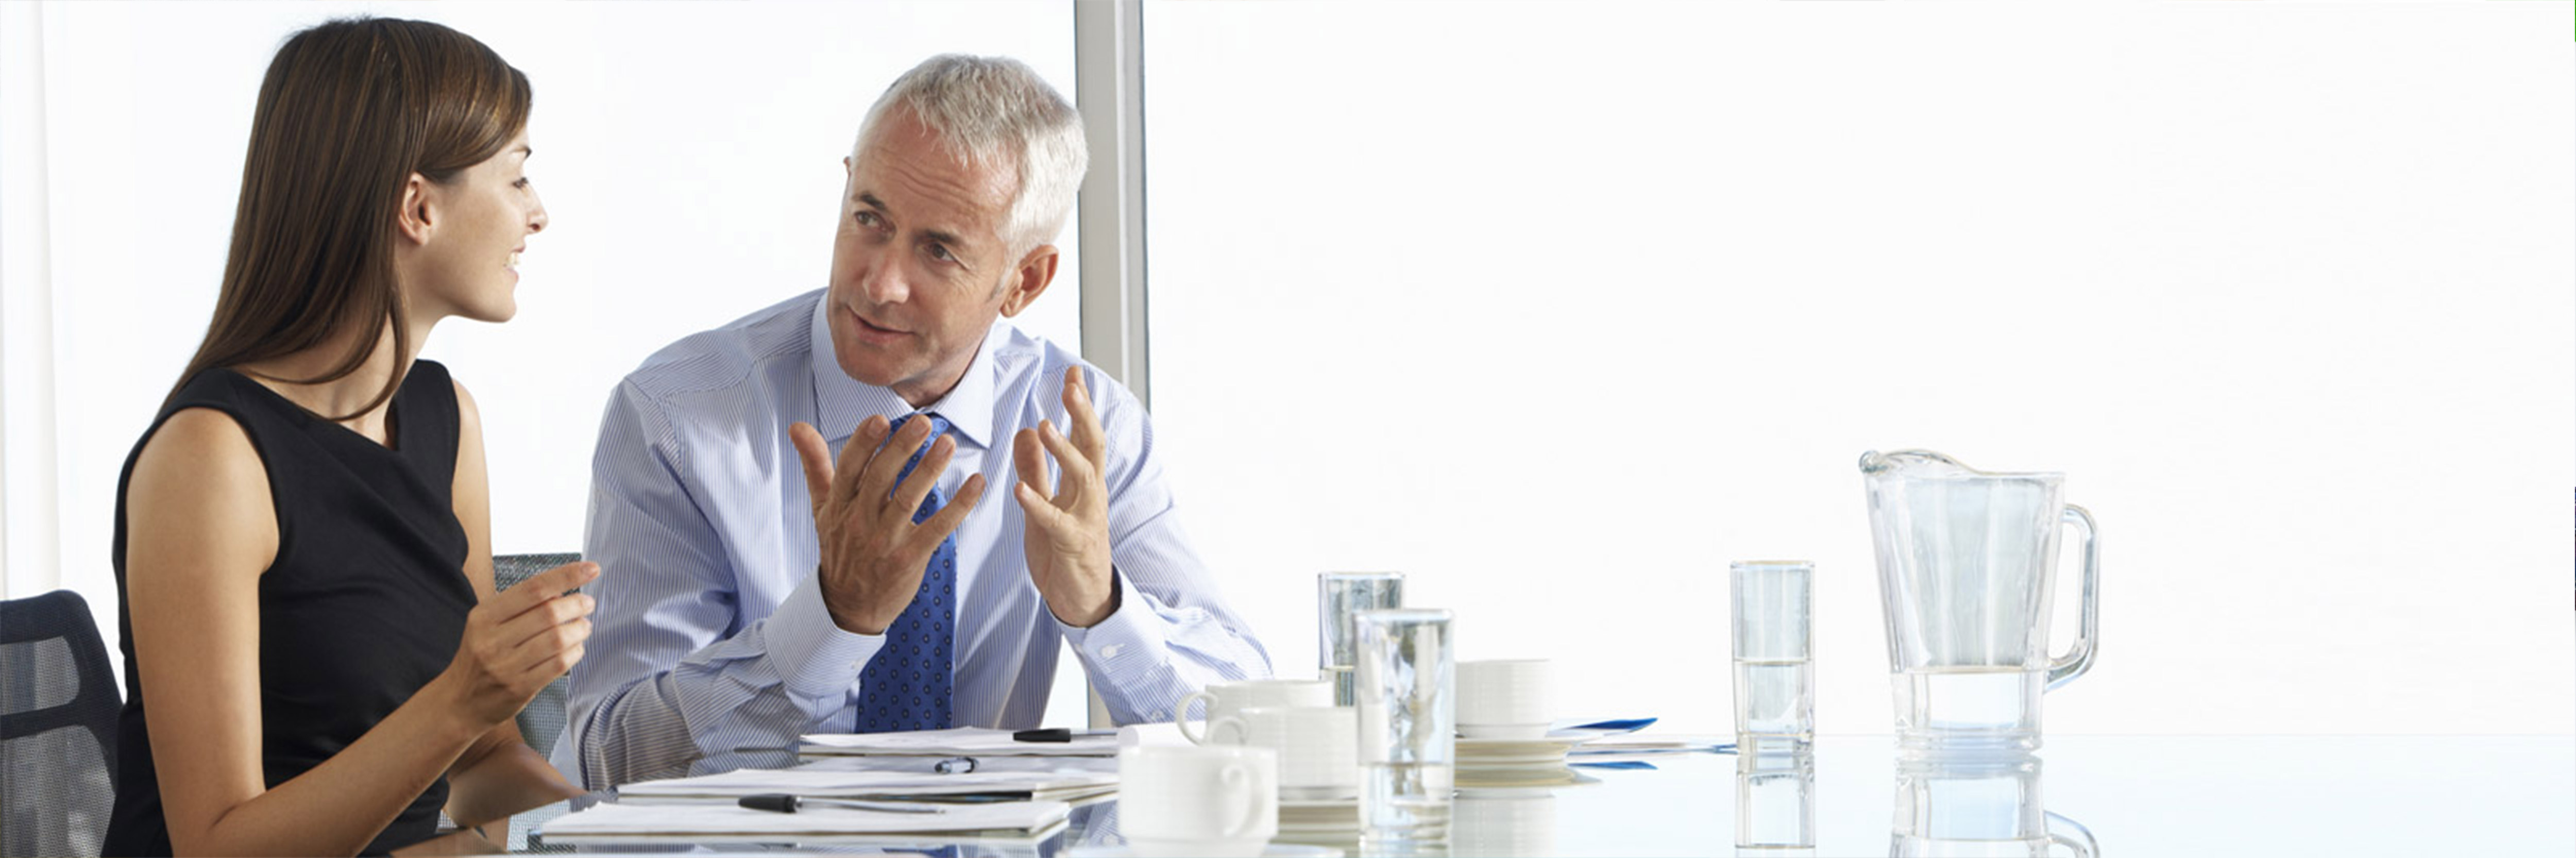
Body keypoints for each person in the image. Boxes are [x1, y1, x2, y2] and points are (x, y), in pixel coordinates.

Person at [558, 54, 1270, 789]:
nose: (879, 282)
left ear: (1024, 280)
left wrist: (1101, 607)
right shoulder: (679, 418)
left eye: (938, 249)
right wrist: (830, 622)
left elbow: (1247, 730)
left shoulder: (1082, 426)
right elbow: (604, 760)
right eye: (869, 220)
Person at [105, 18, 596, 856]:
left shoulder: (447, 419)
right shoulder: (212, 460)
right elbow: (216, 846)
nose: (538, 213)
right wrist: (460, 698)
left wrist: (612, 818)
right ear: (418, 206)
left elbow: (485, 760)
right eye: (516, 178)